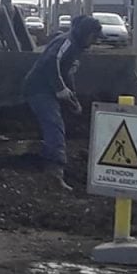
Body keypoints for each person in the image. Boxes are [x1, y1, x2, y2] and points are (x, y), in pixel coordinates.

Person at [22, 15, 103, 190]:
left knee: (56, 123)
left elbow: (67, 73)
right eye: (93, 37)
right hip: (39, 89)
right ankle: (54, 173)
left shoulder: (74, 48)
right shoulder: (66, 42)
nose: (94, 42)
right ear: (85, 33)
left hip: (47, 89)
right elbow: (51, 62)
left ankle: (52, 163)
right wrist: (60, 89)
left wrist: (72, 97)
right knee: (54, 124)